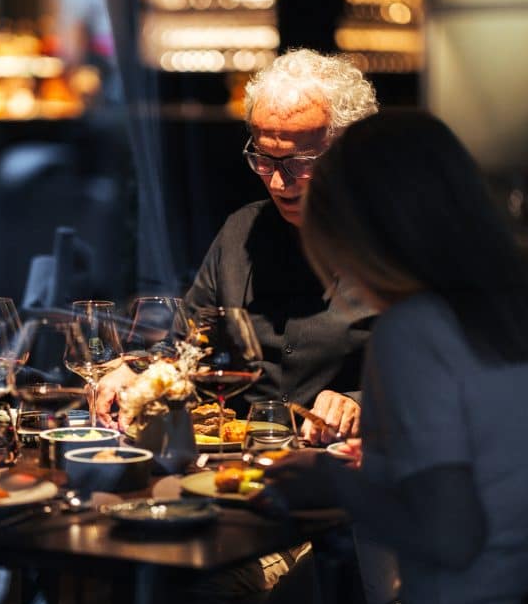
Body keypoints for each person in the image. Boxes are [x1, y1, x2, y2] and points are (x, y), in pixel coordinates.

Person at [264, 109, 528, 604]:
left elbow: (451, 539)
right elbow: (509, 472)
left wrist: (334, 484)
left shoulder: (415, 332)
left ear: (365, 232)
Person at [97, 49, 379, 443]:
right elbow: (185, 350)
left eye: (302, 162)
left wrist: (361, 403)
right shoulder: (241, 232)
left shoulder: (398, 244)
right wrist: (140, 372)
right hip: (235, 458)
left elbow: (443, 377)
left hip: (347, 466)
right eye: (265, 159)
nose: (280, 182)